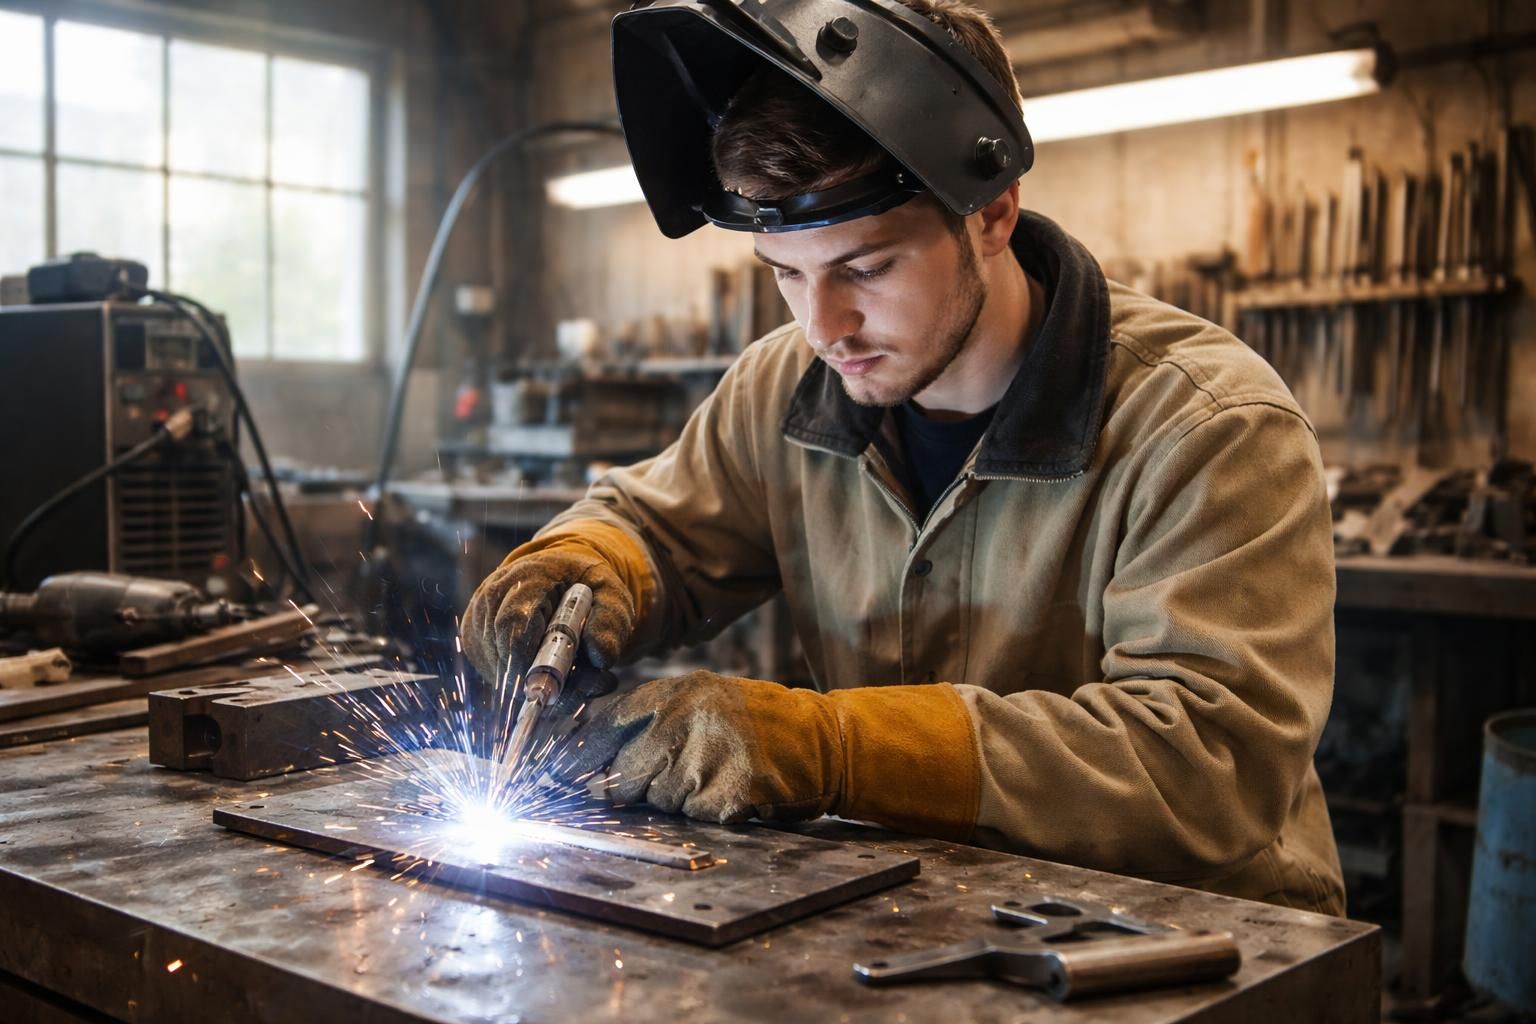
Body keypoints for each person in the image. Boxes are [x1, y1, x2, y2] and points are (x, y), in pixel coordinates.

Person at [462, 0, 1345, 915]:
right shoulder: (787, 384)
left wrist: (830, 747)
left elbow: (1208, 768)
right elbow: (663, 528)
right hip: (918, 915)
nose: (824, 326)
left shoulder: (1209, 425)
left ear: (993, 212)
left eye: (867, 269)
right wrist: (584, 566)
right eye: (786, 275)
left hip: (1189, 939)